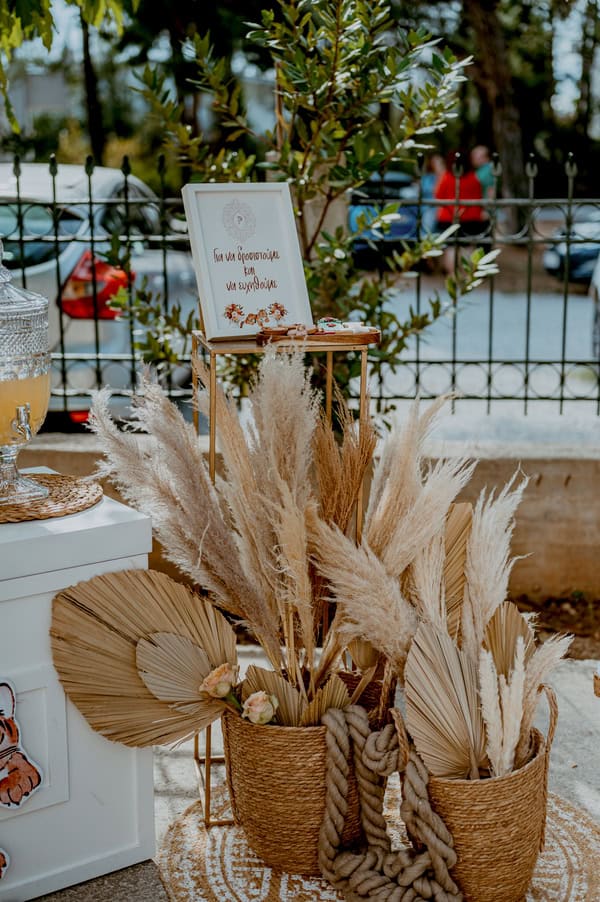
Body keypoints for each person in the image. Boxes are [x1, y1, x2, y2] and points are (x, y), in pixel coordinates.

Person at [434, 151, 485, 273]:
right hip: (471, 217)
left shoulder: (446, 177)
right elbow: (478, 197)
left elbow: (438, 195)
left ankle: (452, 275)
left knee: (451, 248)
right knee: (468, 247)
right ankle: (467, 275)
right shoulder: (473, 178)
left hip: (448, 216)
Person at [420, 153, 446, 234]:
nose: (438, 165)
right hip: (429, 208)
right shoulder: (428, 178)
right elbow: (426, 190)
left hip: (443, 208)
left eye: (440, 163)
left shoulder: (446, 177)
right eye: (435, 163)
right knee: (427, 229)